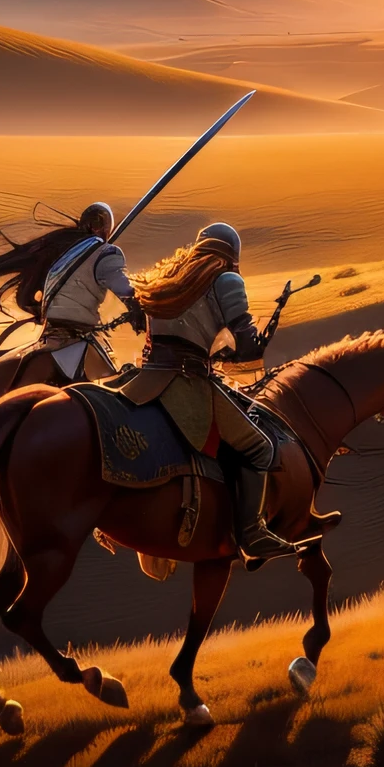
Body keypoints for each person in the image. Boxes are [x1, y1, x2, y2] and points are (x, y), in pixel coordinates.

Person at [123, 222, 299, 565]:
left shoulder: (170, 274)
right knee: (260, 447)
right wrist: (244, 349)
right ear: (232, 254)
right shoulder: (226, 278)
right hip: (186, 382)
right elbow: (247, 345)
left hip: (146, 378)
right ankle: (253, 532)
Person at [0, 202, 144, 387]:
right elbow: (124, 289)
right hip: (75, 342)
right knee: (111, 390)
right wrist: (140, 305)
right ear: (105, 228)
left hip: (49, 335)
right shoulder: (107, 253)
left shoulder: (64, 251)